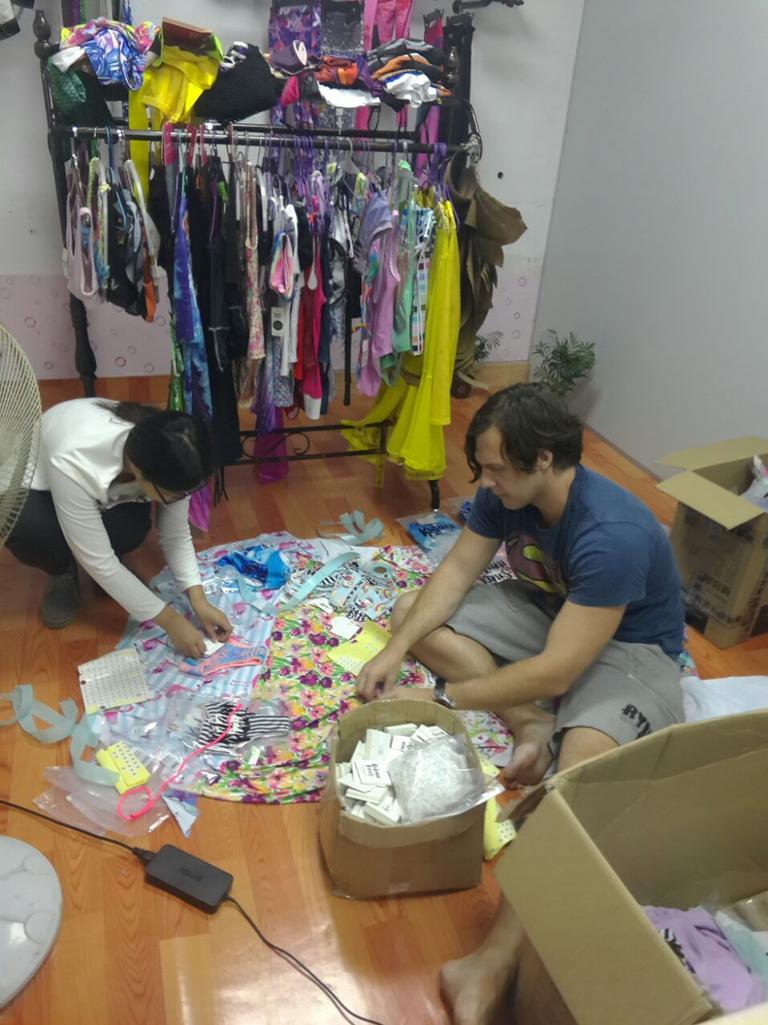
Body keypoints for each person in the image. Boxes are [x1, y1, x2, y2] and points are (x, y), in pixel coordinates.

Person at [356, 382, 685, 1025]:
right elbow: (452, 575)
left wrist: (447, 694)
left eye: (497, 469)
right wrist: (397, 650)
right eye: (481, 466)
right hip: (554, 611)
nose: (484, 481)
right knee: (410, 614)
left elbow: (562, 665)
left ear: (544, 460)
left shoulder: (611, 532)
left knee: (579, 779)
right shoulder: (502, 496)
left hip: (630, 648)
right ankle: (532, 724)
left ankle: (490, 962)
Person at [7, 397, 232, 658]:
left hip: (104, 485)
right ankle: (61, 570)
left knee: (130, 530)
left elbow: (175, 534)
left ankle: (116, 578)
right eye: (174, 493)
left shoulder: (172, 453)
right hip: (37, 486)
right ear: (139, 470)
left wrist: (198, 599)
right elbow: (98, 560)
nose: (181, 498)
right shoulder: (73, 456)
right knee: (32, 529)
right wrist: (170, 621)